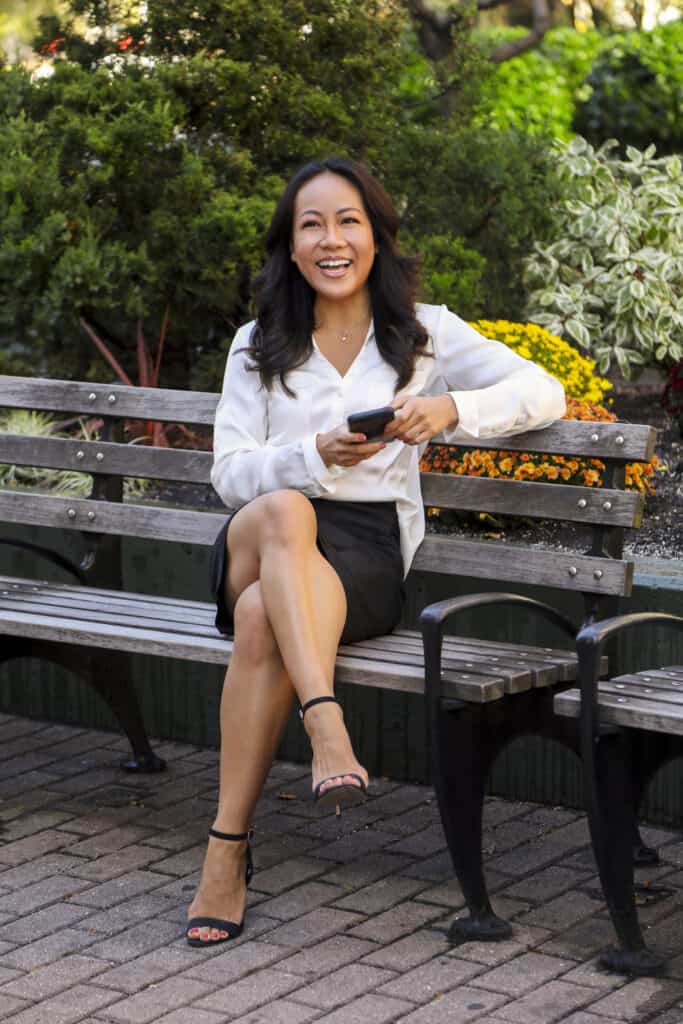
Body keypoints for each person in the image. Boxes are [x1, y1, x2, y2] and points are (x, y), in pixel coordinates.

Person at [186, 156, 566, 947]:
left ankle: (224, 852)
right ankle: (326, 725)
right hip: (262, 531)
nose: (332, 239)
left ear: (376, 236)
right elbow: (228, 477)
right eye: (312, 225)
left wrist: (448, 407)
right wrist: (313, 456)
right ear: (290, 247)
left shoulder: (424, 334)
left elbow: (543, 391)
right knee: (285, 509)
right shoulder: (258, 342)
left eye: (348, 221)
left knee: (262, 616)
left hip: (361, 555)